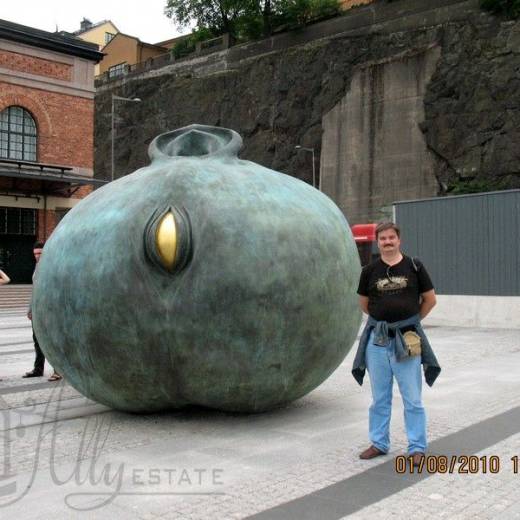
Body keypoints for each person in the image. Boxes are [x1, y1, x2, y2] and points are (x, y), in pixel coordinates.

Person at [352, 222, 440, 466]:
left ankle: (417, 447)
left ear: (399, 240)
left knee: (412, 397)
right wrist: (384, 320)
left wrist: (411, 321)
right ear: (378, 242)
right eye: (383, 238)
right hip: (377, 342)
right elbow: (364, 303)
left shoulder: (414, 266)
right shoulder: (369, 271)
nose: (387, 242)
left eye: (391, 238)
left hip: (408, 339)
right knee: (380, 397)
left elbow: (430, 300)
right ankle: (379, 442)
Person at [23, 241, 62, 382]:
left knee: (52, 341)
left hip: (50, 310)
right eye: (35, 254)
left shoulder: (52, 267)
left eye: (40, 253)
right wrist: (30, 308)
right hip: (38, 310)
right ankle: (38, 369)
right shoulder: (36, 267)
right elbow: (35, 290)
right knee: (37, 340)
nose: (37, 256)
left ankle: (58, 370)